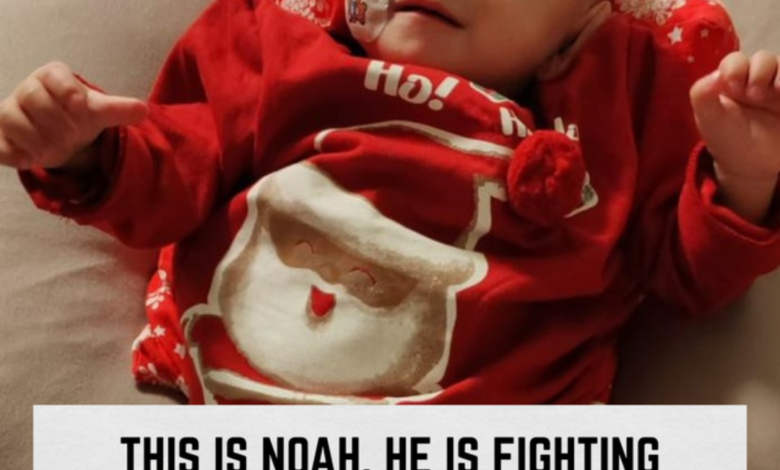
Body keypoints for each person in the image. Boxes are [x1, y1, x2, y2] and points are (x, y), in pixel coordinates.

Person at [1, 0, 780, 404]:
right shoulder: (284, 45)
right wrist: (83, 151)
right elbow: (175, 174)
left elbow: (685, 274)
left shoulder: (624, 102)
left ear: (582, 17)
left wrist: (745, 177)